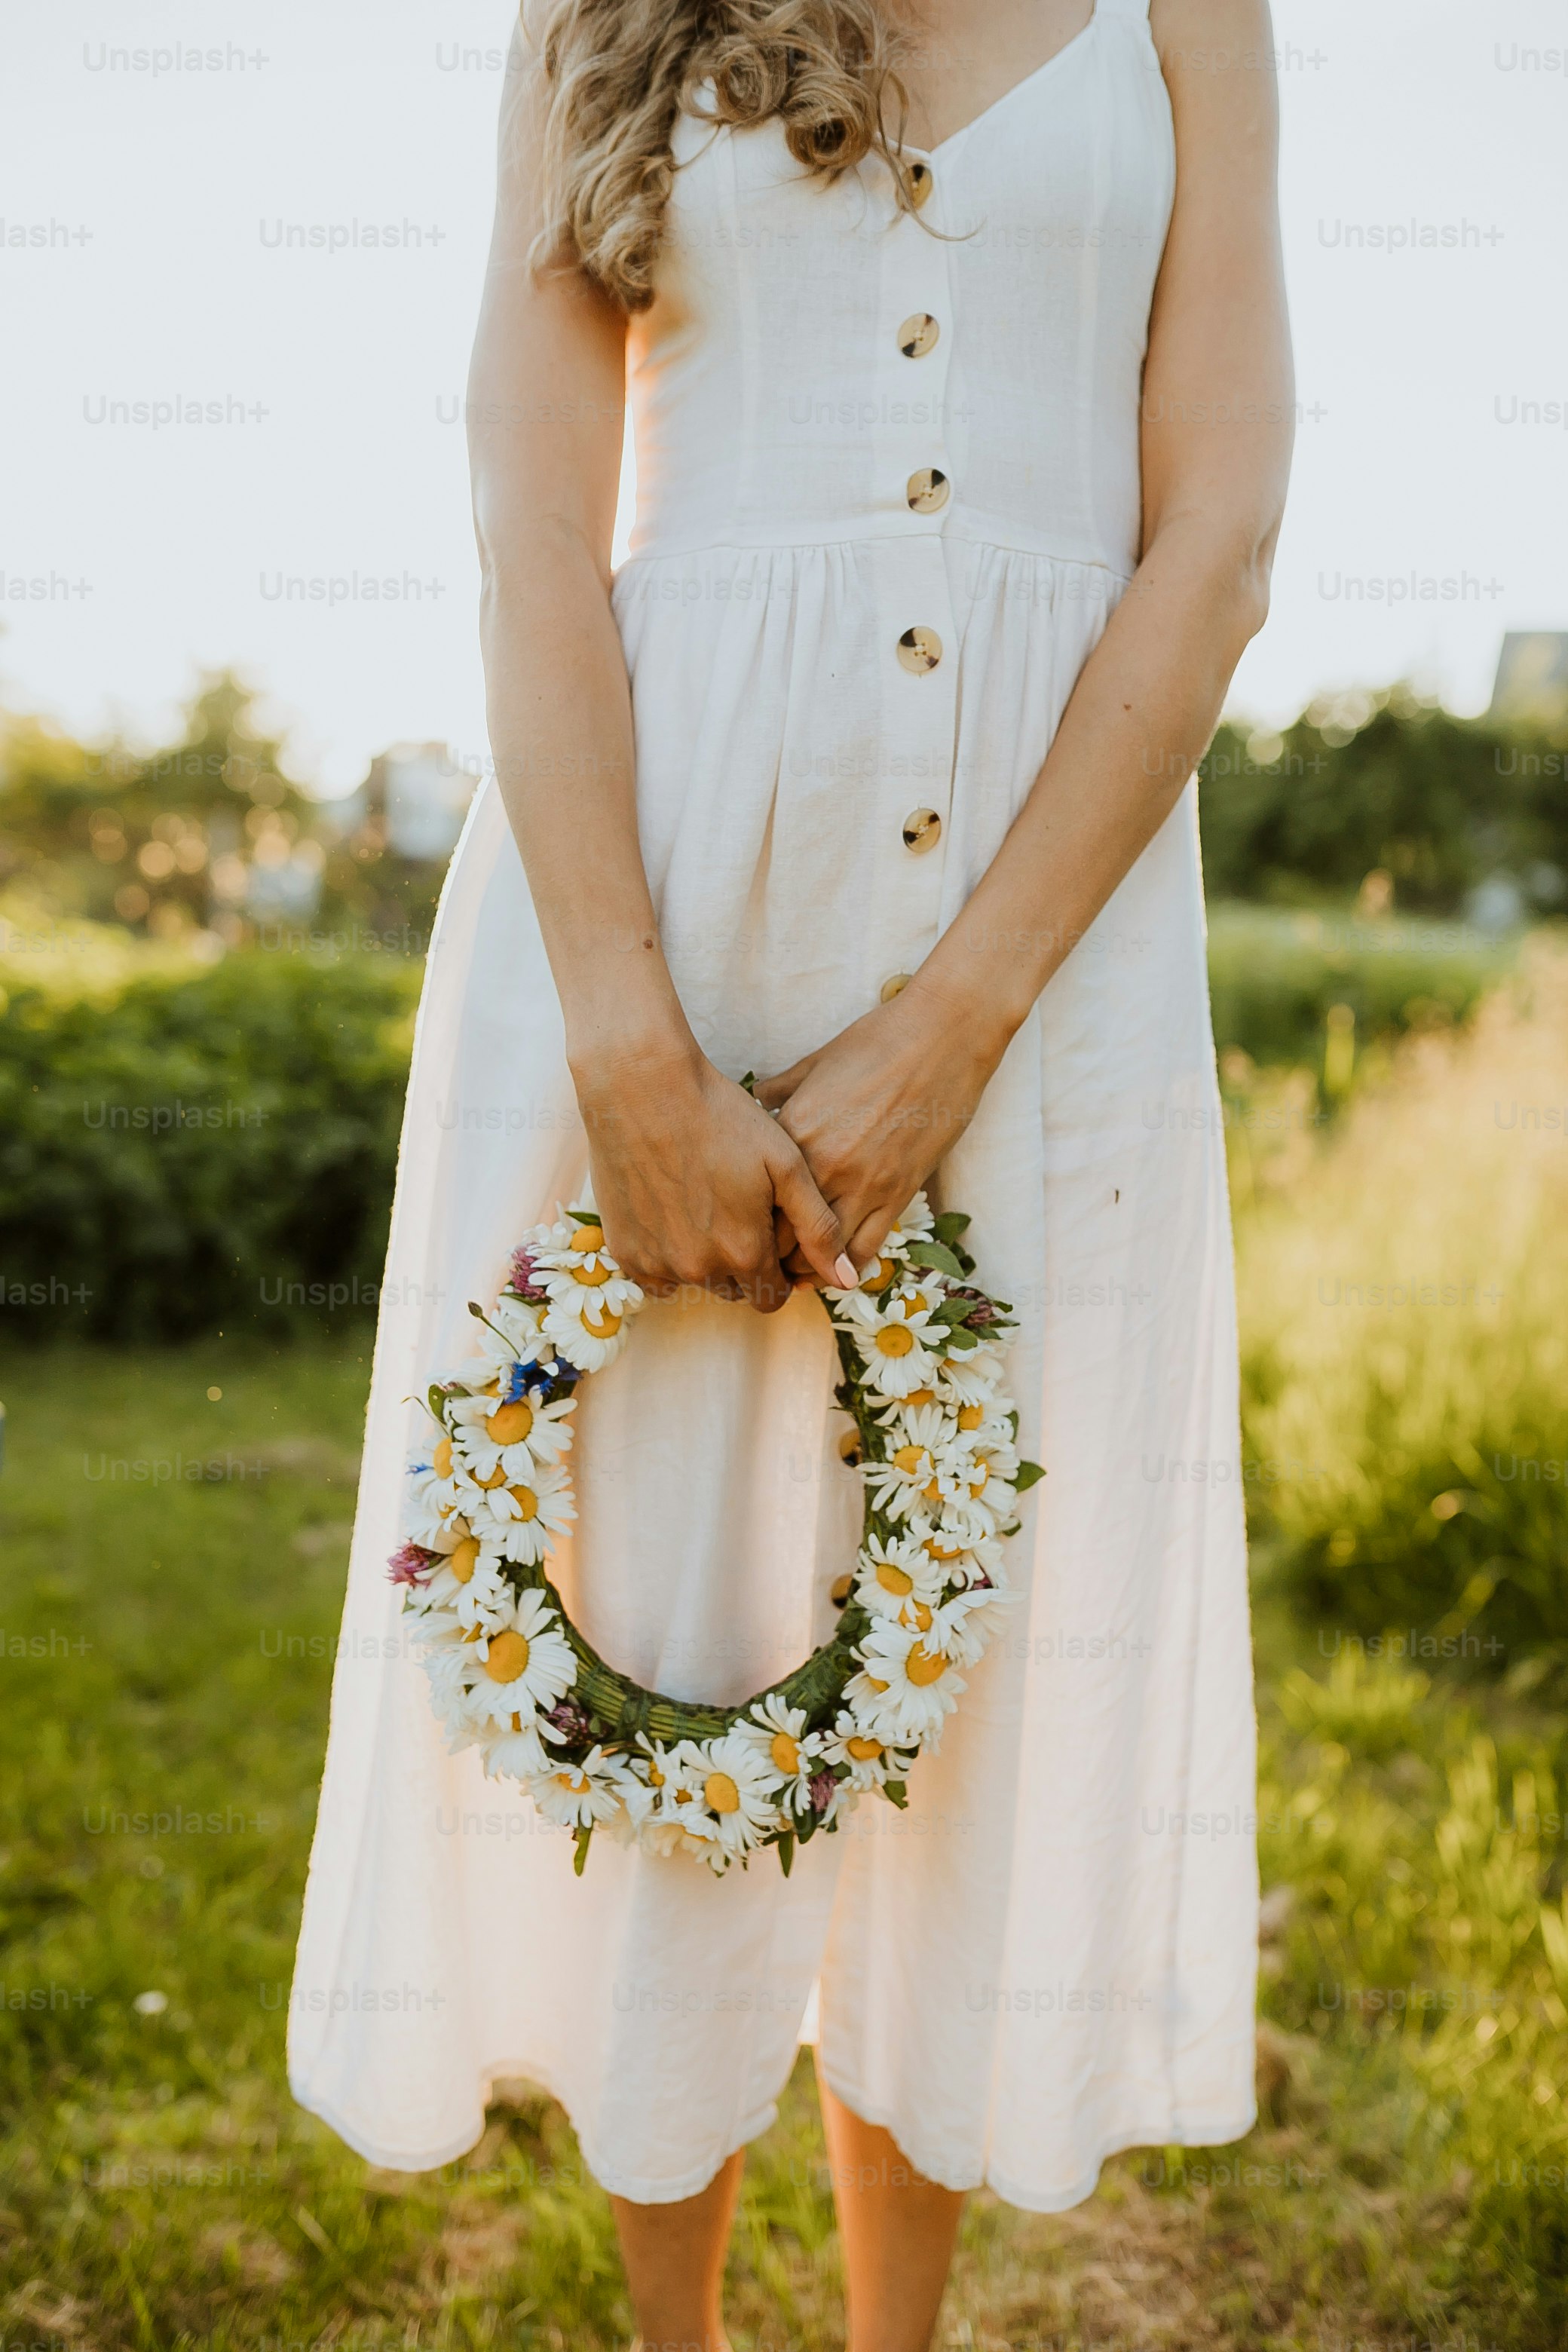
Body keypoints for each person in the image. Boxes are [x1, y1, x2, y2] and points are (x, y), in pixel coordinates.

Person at [289, 4, 1292, 2347]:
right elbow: (532, 512)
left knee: (969, 1643)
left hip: (1057, 957)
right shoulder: (602, 14)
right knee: (678, 1596)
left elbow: (1219, 529)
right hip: (660, 890)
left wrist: (960, 1018)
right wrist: (628, 1033)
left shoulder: (1191, 13)